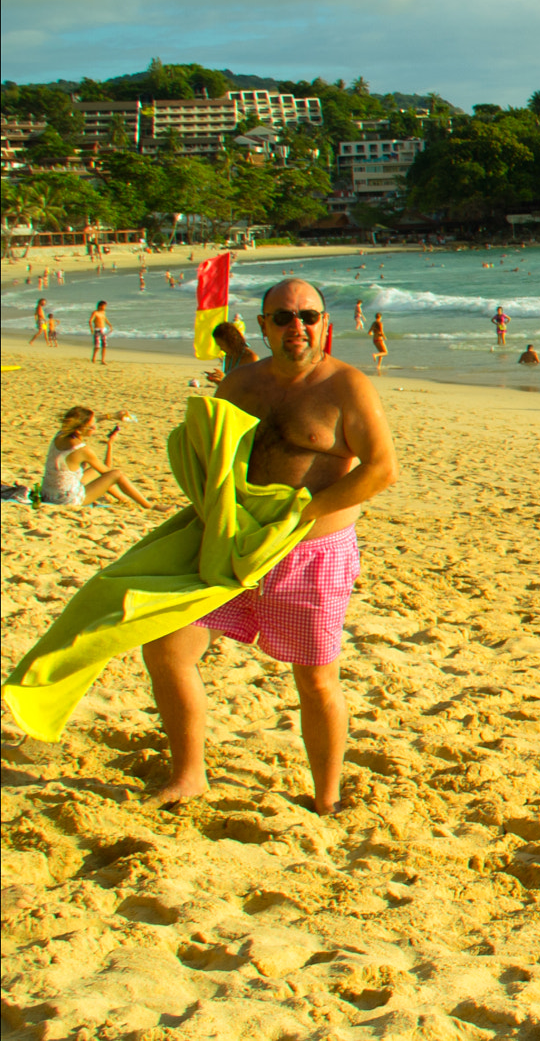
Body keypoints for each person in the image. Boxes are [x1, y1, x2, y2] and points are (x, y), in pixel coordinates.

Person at [143, 278, 399, 815]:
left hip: (312, 552)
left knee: (314, 678)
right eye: (283, 318)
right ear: (262, 327)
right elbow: (216, 461)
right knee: (167, 645)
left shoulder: (347, 387)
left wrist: (301, 516)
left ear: (325, 324)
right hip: (235, 542)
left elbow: (381, 470)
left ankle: (326, 797)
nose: (297, 327)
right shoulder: (240, 386)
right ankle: (189, 775)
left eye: (308, 316)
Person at [41, 407, 157, 508]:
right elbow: (108, 472)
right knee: (117, 474)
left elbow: (89, 421)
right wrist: (110, 445)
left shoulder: (61, 434)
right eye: (92, 427)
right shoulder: (82, 450)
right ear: (80, 429)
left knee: (93, 471)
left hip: (48, 494)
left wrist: (113, 416)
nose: (95, 428)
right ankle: (149, 506)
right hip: (66, 500)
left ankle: (124, 499)